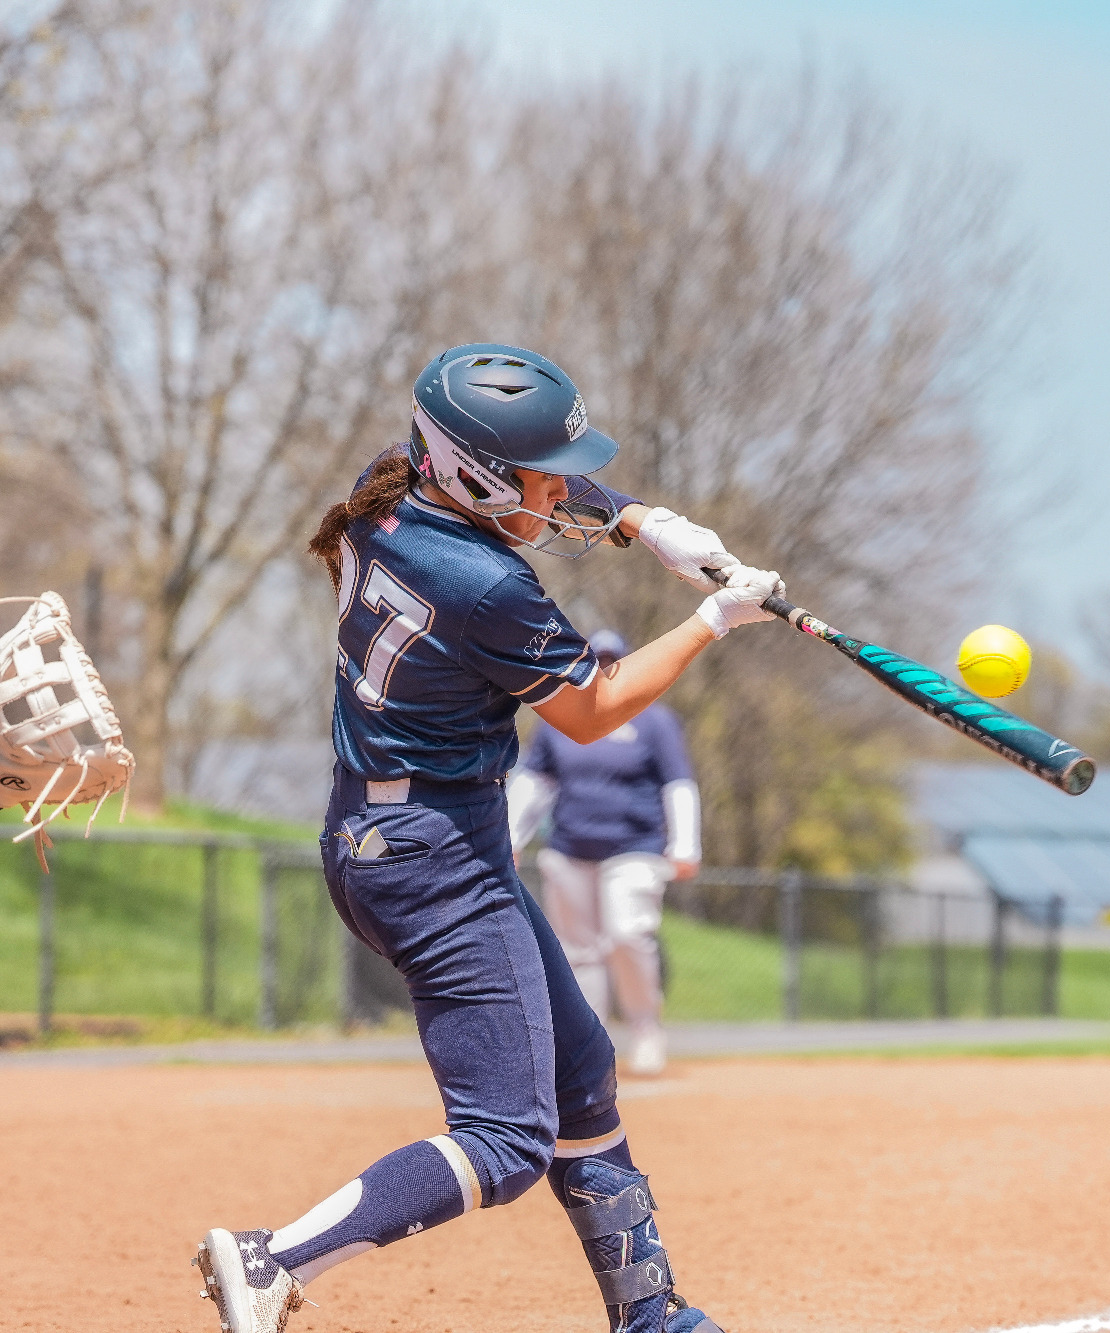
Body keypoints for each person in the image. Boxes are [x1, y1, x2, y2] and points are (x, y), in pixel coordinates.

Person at [191, 344, 783, 1333]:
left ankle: (650, 1316)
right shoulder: (483, 585)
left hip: (393, 833)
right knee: (507, 1140)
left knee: (582, 1066)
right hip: (431, 858)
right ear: (475, 475)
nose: (558, 493)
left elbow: (549, 491)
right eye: (540, 477)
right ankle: (272, 1259)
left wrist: (640, 518)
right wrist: (711, 621)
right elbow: (590, 713)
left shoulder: (391, 490)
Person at [508, 628, 700, 1077]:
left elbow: (678, 782)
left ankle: (646, 1028)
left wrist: (686, 844)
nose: (607, 668)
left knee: (626, 933)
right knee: (579, 951)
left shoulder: (654, 718)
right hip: (570, 848)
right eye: (600, 660)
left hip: (636, 848)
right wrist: (511, 837)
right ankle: (592, 1046)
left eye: (615, 660)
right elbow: (535, 781)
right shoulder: (560, 717)